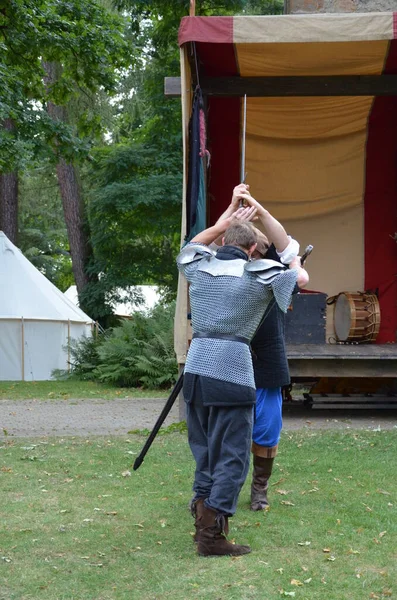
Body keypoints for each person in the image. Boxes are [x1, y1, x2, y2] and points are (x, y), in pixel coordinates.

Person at [177, 187, 308, 557]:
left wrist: (225, 219)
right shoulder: (260, 275)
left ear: (223, 241)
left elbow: (191, 244)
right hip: (232, 372)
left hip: (197, 371)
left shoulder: (200, 267)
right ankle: (212, 537)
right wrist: (294, 262)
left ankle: (202, 521)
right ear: (254, 250)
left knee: (205, 454)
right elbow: (298, 275)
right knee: (233, 455)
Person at [211, 185, 308, 512]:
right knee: (225, 430)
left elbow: (287, 248)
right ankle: (219, 489)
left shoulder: (271, 268)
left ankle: (259, 490)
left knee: (266, 428)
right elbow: (206, 241)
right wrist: (229, 210)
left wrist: (259, 209)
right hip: (227, 361)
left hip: (265, 361)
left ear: (255, 248)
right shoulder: (219, 267)